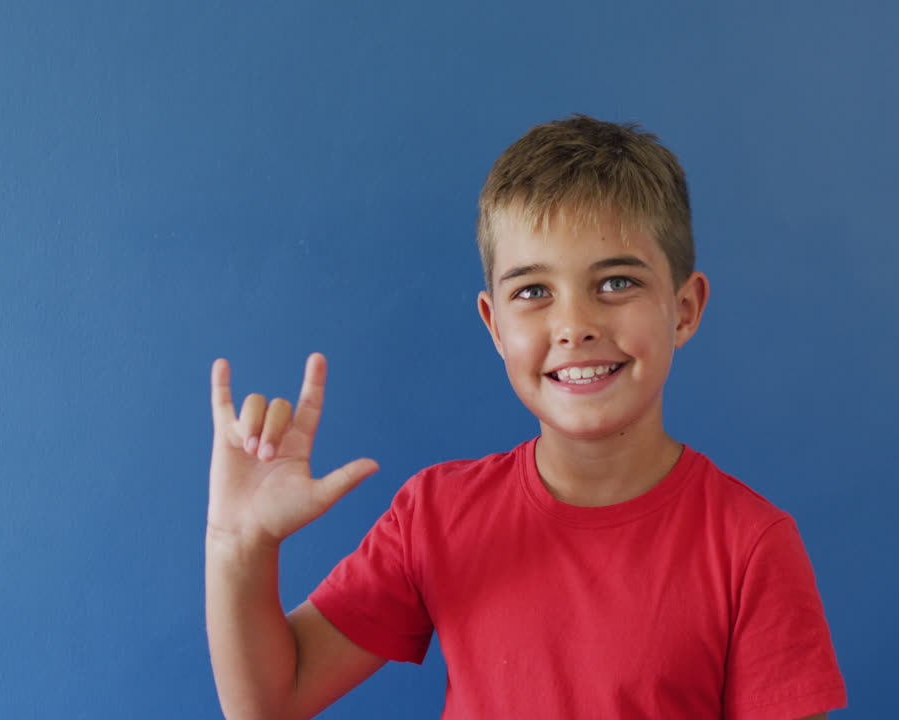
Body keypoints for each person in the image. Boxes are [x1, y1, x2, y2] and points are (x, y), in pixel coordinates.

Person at [205, 115, 847, 719]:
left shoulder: (751, 546)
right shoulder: (435, 516)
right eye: (534, 292)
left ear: (683, 309)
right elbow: (269, 702)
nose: (574, 326)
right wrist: (239, 547)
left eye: (616, 282)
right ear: (494, 324)